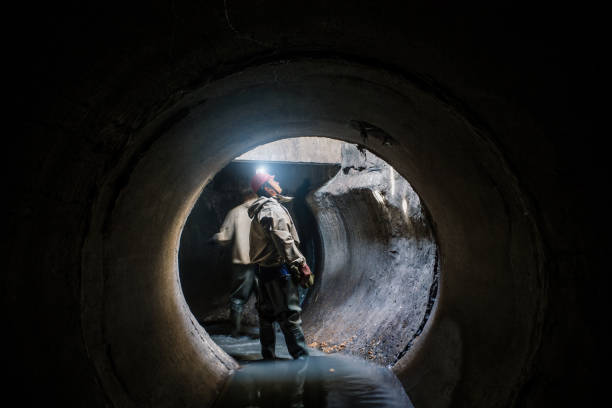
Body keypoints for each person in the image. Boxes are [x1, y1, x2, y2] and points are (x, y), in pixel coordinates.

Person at [248, 171, 314, 360]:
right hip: (278, 271)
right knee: (291, 317)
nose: (277, 181)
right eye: (273, 180)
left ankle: (268, 358)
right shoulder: (272, 209)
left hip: (262, 271)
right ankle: (303, 362)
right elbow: (283, 239)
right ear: (267, 188)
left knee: (267, 316)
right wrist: (300, 263)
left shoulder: (262, 209)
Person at [209, 189, 258, 337]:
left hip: (242, 262)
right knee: (267, 297)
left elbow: (225, 237)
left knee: (238, 298)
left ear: (244, 198)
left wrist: (214, 239)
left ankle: (235, 331)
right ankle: (270, 333)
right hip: (264, 263)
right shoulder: (267, 209)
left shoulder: (235, 212)